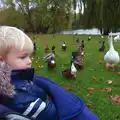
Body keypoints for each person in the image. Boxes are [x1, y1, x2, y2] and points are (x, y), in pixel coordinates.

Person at [0, 26, 100, 120]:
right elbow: (50, 114)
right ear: (1, 61)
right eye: (23, 57)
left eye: (29, 56)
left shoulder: (19, 80)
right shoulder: (16, 95)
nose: (30, 61)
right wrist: (50, 99)